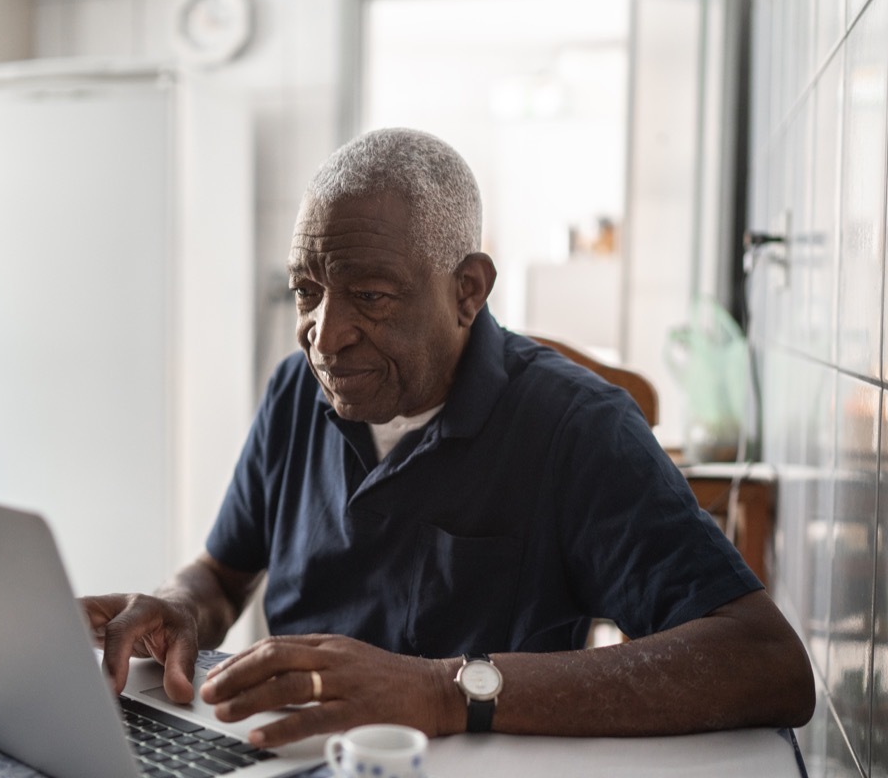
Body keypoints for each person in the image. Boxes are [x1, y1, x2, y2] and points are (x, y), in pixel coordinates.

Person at [82, 128, 815, 749]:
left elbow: (766, 662)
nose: (325, 336)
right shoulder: (294, 393)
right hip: (290, 757)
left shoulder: (576, 428)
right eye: (307, 290)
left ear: (468, 290)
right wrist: (178, 605)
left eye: (369, 296)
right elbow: (223, 574)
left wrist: (443, 690)